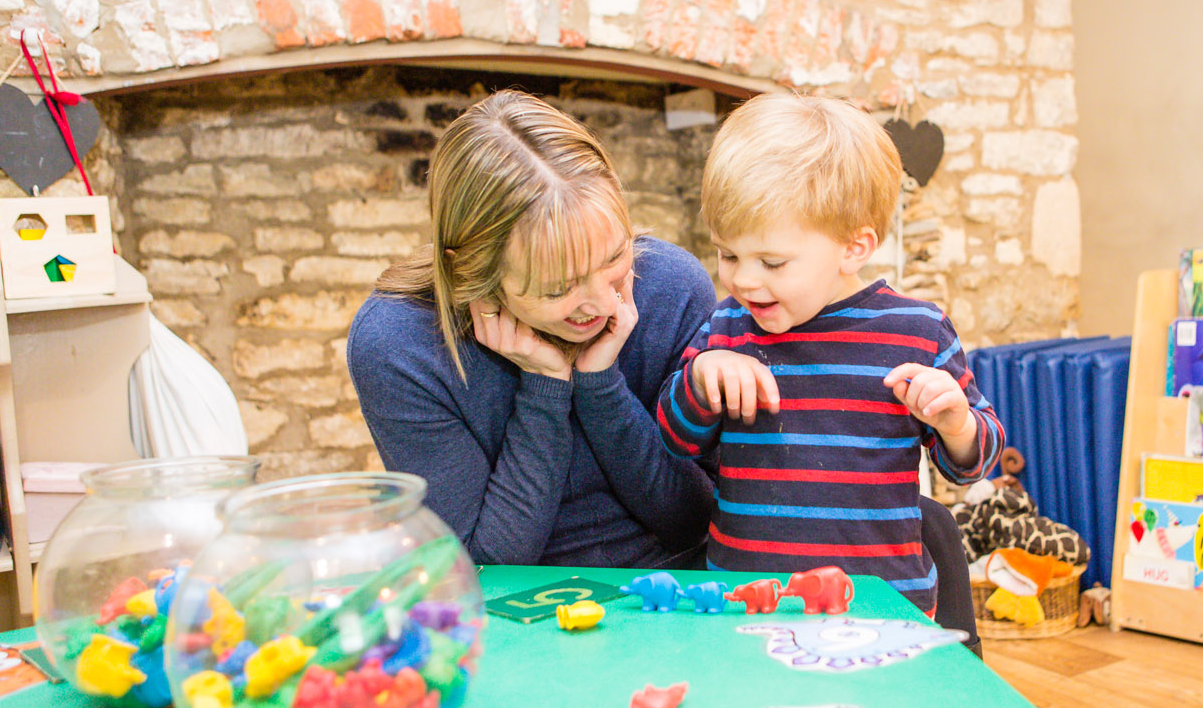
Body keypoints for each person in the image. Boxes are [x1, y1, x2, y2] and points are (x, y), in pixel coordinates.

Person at [655, 93, 1001, 641]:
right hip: (745, 605)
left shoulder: (918, 331)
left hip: (880, 608)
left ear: (853, 246)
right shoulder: (726, 327)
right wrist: (700, 381)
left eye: (771, 262)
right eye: (727, 255)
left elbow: (972, 463)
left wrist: (956, 422)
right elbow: (676, 440)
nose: (743, 280)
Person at [349, 90, 717, 568]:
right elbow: (481, 567)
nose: (606, 304)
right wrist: (544, 390)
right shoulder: (399, 345)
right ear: (469, 273)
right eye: (558, 287)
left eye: (613, 258)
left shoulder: (672, 286)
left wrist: (601, 387)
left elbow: (699, 522)